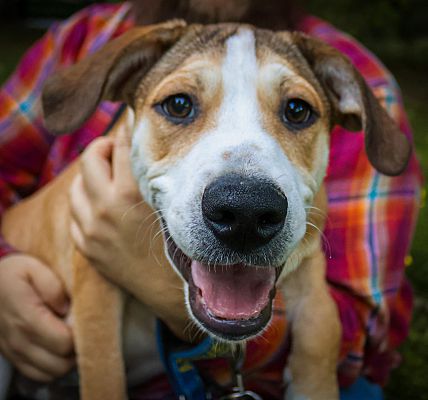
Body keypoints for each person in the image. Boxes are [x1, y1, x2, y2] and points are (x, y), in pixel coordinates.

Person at [0, 0, 423, 399]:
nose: (244, 200)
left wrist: (160, 291)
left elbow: (363, 339)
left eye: (296, 110)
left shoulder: (356, 73)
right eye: (180, 104)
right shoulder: (85, 37)